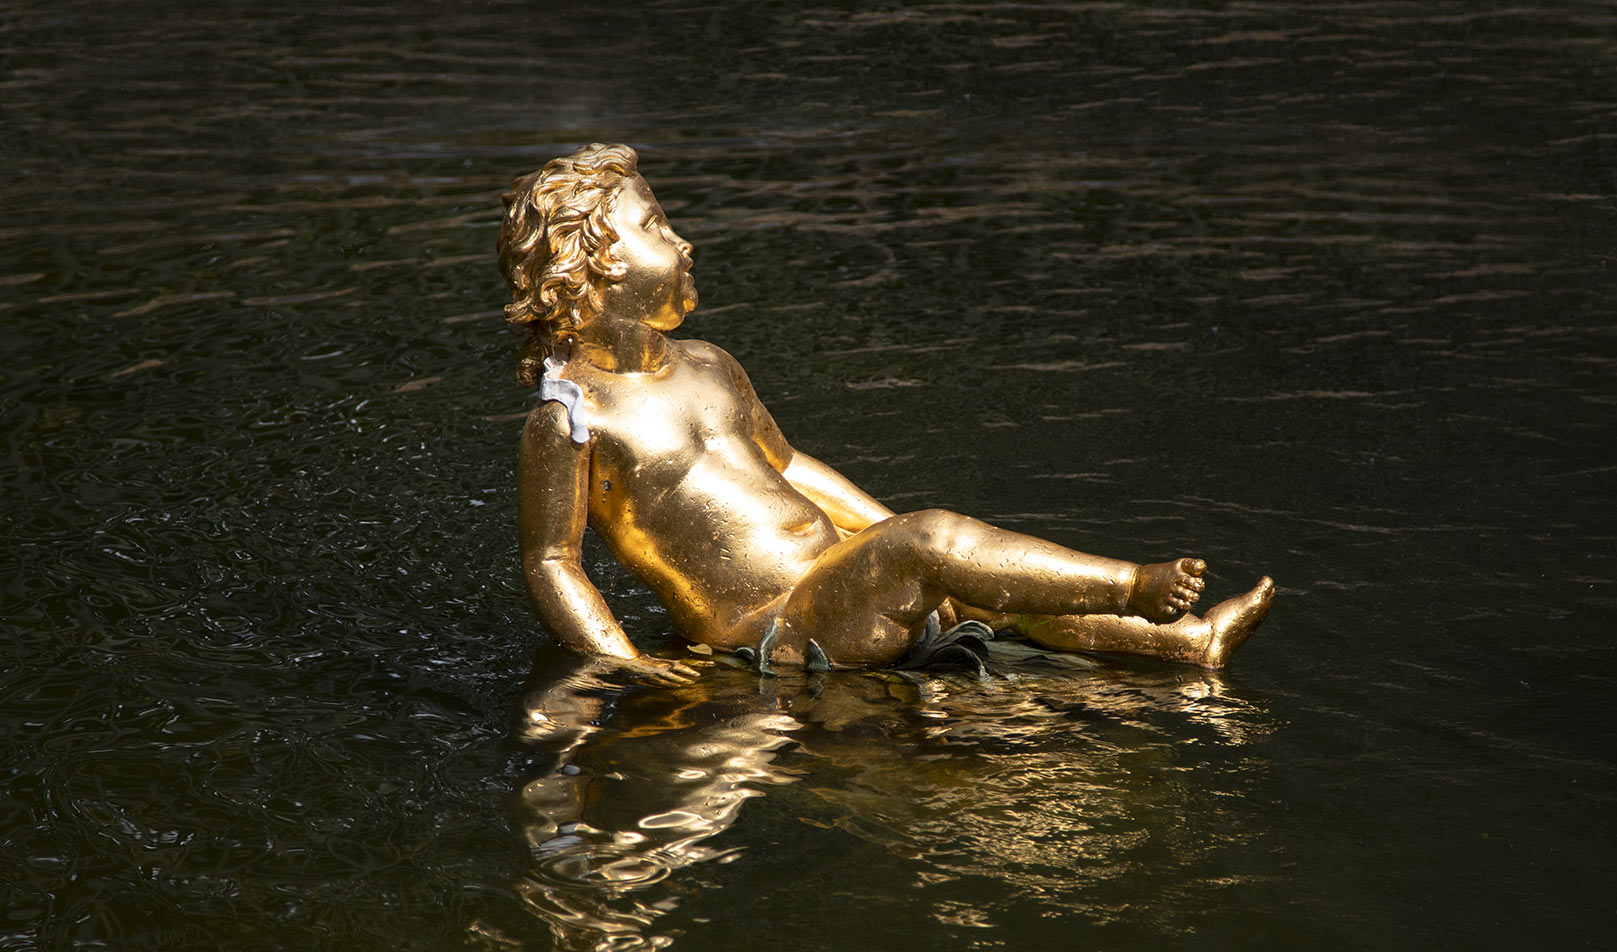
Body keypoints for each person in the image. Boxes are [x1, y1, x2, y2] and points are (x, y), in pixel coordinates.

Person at [500, 143, 1273, 682]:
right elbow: (552, 564)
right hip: (782, 625)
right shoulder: (571, 420)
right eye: (656, 226)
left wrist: (879, 530)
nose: (684, 239)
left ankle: (1185, 644)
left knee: (985, 583)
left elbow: (791, 466)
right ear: (591, 268)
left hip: (836, 568)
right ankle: (1129, 584)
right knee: (933, 541)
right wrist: (626, 670)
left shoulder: (710, 364)